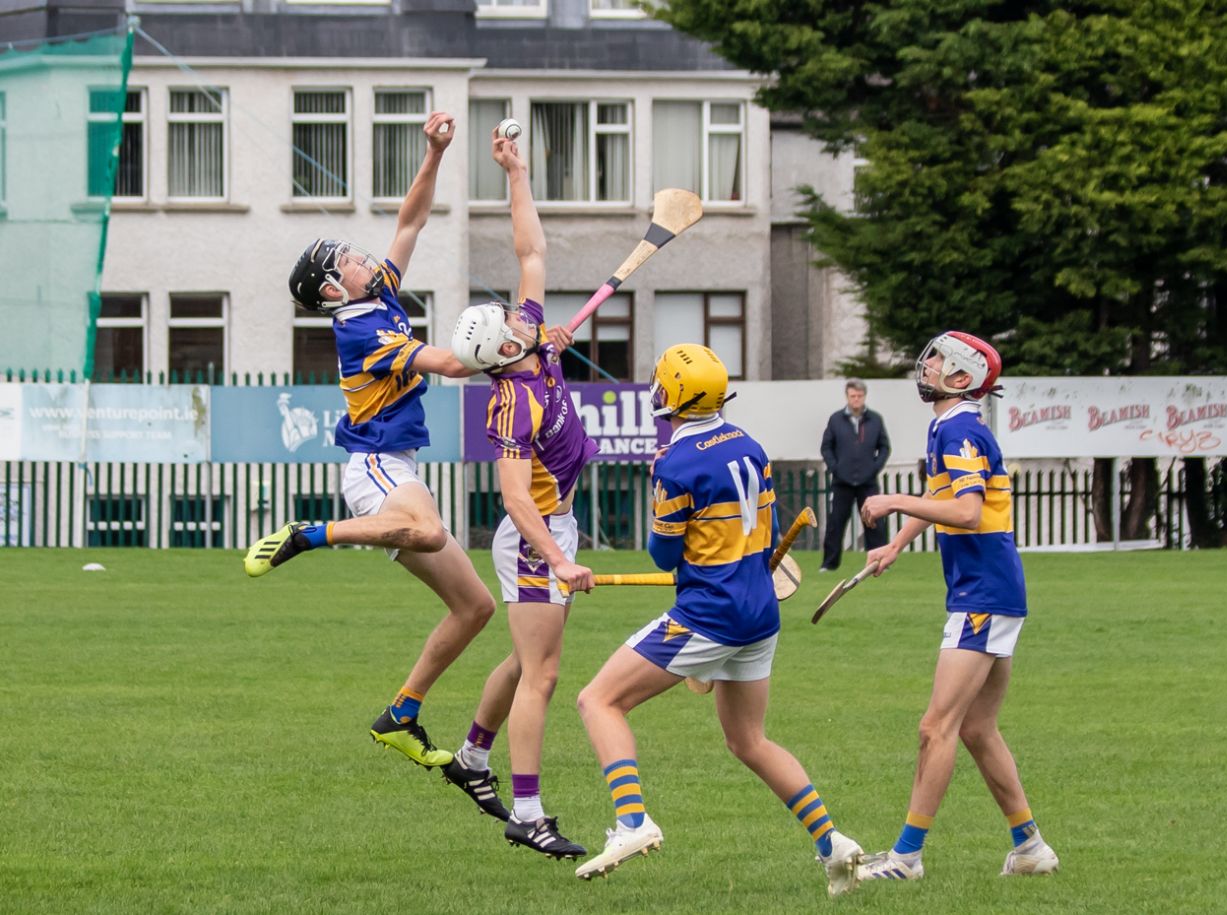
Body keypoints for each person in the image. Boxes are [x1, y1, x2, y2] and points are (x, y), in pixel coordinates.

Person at [243, 111, 498, 778]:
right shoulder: (360, 329)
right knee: (432, 530)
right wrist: (507, 353)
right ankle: (312, 535)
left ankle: (402, 714)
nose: (360, 256)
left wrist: (434, 152)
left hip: (397, 469)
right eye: (346, 260)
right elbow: (444, 364)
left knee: (476, 607)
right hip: (377, 473)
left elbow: (409, 222)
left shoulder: (376, 290)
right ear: (332, 289)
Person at [572, 343, 865, 896]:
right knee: (749, 740)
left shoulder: (675, 464)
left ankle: (633, 822)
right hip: (758, 613)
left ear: (673, 397)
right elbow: (765, 526)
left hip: (710, 612)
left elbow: (663, 555)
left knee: (599, 700)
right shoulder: (749, 444)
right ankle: (835, 845)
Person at [442, 128, 596, 859]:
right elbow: (513, 498)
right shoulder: (510, 403)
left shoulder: (533, 335)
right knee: (544, 671)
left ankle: (474, 754)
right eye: (508, 321)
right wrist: (556, 559)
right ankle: (527, 810)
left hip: (553, 532)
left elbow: (531, 252)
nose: (518, 313)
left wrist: (517, 173)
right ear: (503, 351)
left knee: (523, 656)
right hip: (537, 537)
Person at [855, 331, 1058, 881]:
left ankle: (906, 858)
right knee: (977, 729)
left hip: (983, 596)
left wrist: (893, 498)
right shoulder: (949, 425)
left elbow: (966, 512)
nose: (929, 365)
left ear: (962, 378)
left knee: (935, 727)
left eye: (940, 360)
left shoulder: (962, 427)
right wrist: (898, 542)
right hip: (991, 592)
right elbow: (945, 496)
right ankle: (1031, 849)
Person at [820, 379, 891, 569]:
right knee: (836, 524)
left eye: (859, 396)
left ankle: (879, 561)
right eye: (853, 396)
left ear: (864, 397)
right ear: (847, 397)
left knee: (874, 523)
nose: (856, 400)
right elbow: (826, 447)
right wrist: (835, 468)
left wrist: (874, 467)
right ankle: (829, 564)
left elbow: (884, 447)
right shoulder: (836, 419)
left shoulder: (875, 419)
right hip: (842, 481)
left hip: (867, 482)